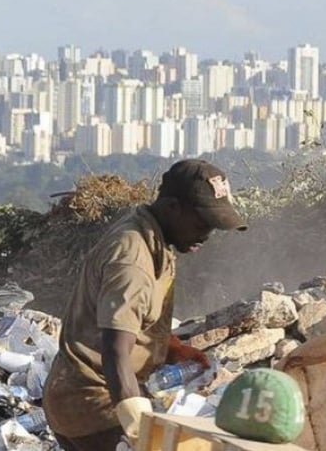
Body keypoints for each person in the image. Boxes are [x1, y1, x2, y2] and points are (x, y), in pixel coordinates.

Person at [43, 159, 248, 451]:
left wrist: (173, 348)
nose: (207, 234)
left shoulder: (152, 237)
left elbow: (134, 321)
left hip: (85, 400)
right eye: (203, 223)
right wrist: (140, 433)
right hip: (93, 407)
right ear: (172, 207)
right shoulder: (133, 259)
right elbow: (115, 352)